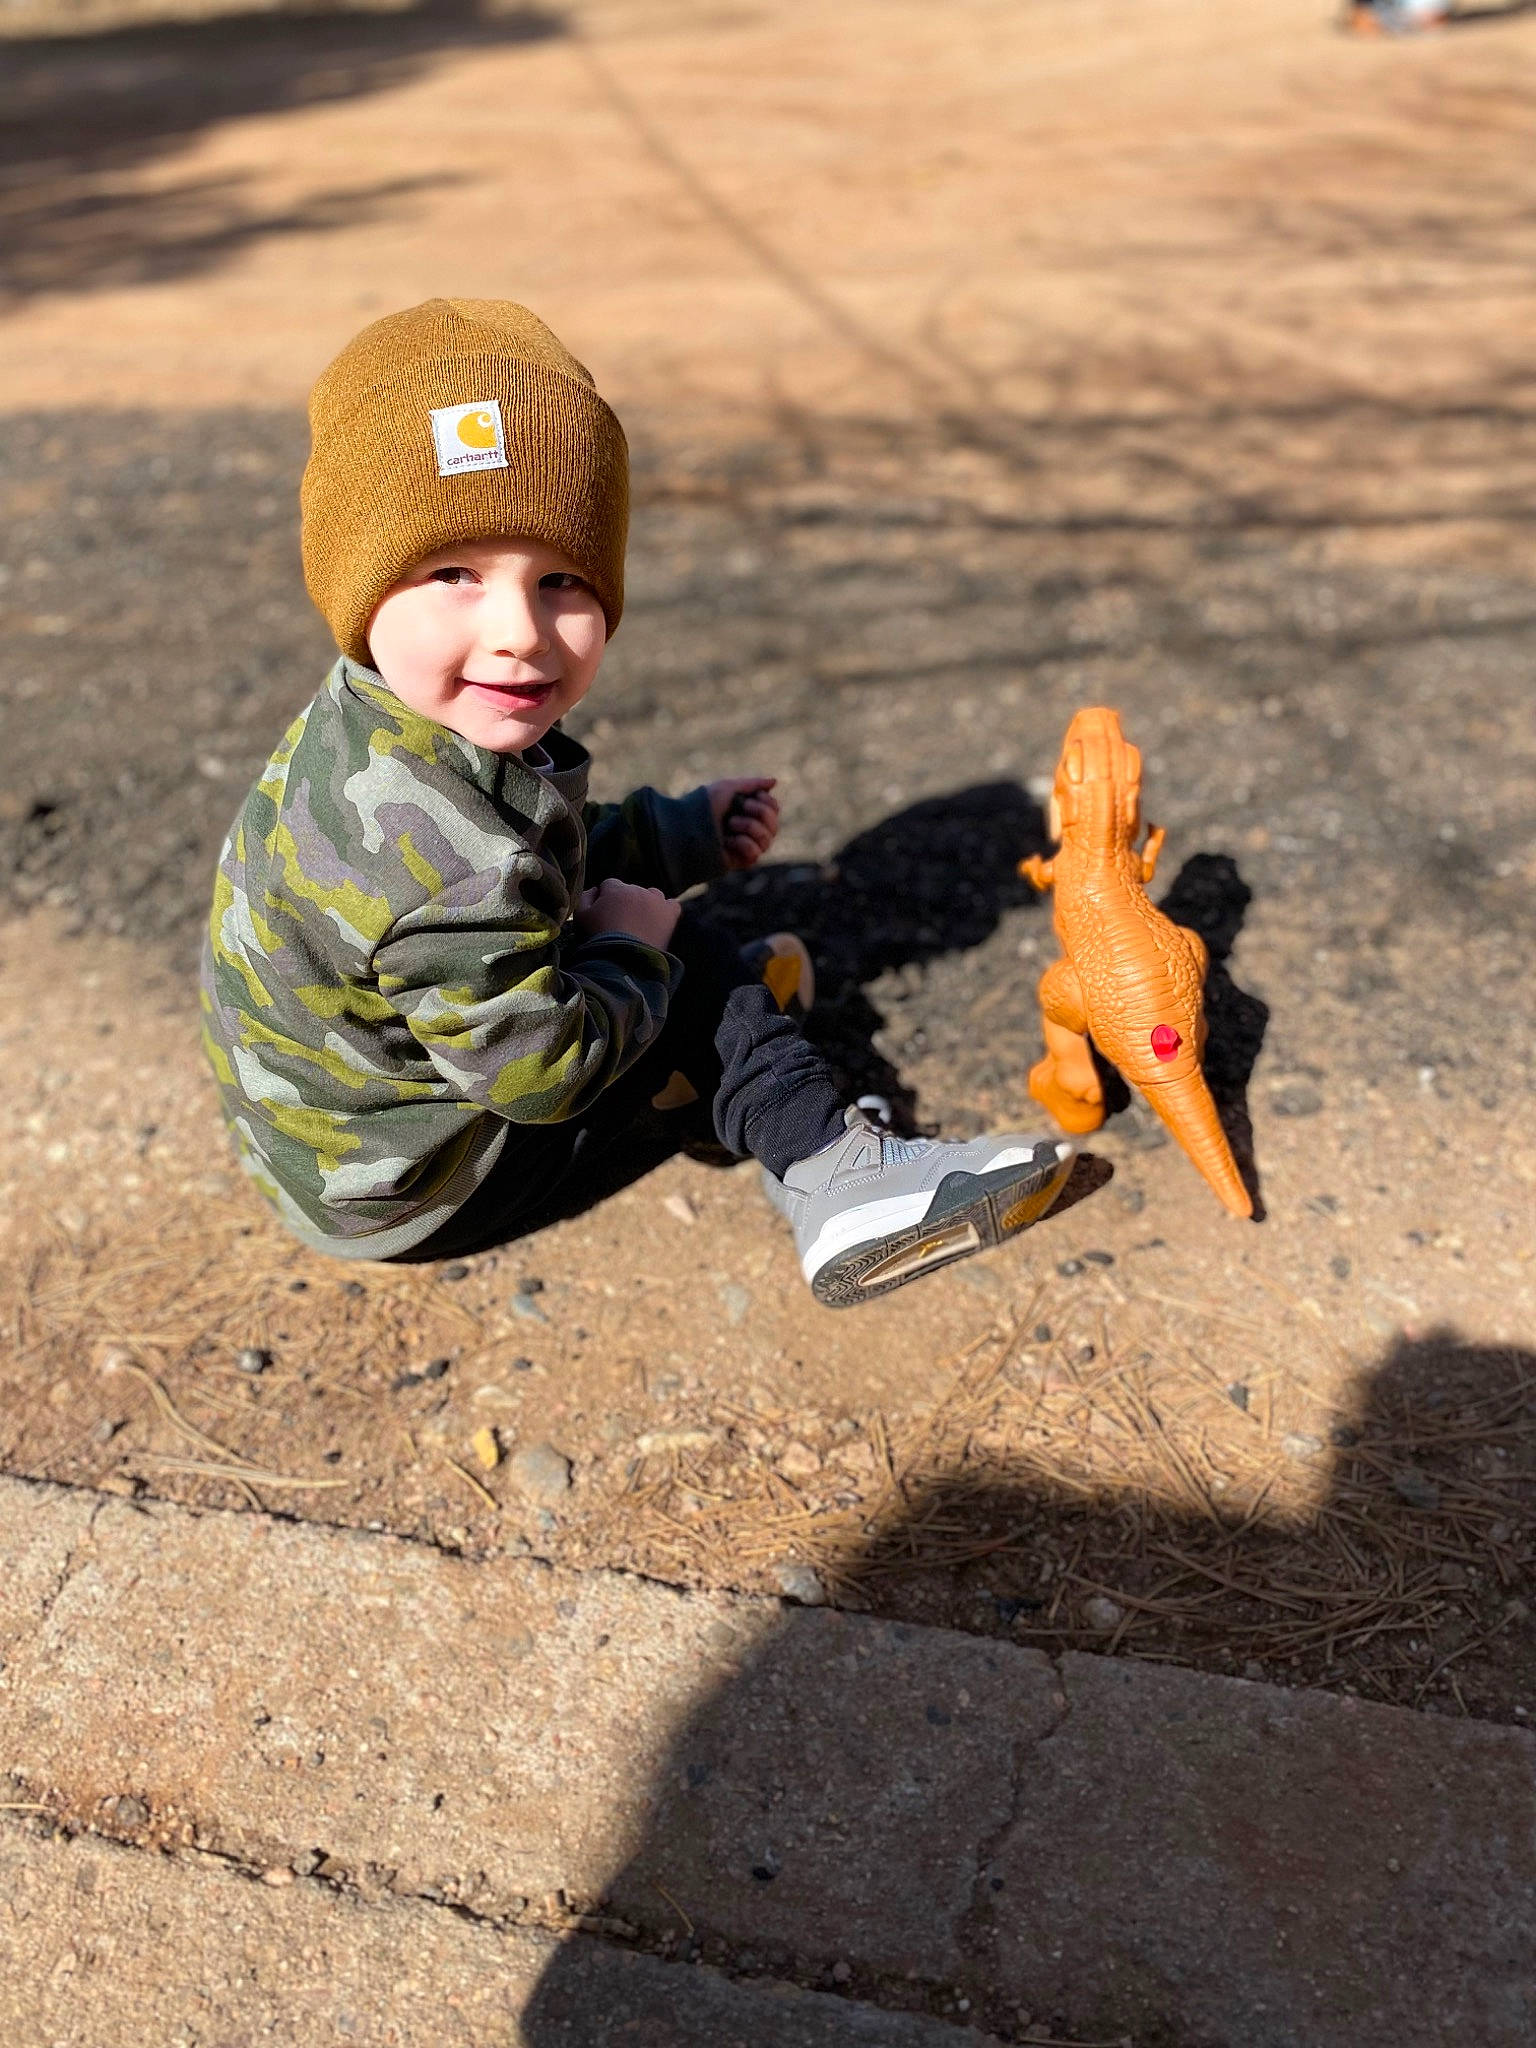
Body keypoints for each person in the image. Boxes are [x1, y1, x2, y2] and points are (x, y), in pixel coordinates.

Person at [199, 299, 1073, 1305]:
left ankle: (712, 1060)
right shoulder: (446, 859)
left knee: (657, 936)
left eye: (563, 579)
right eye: (455, 574)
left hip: (332, 1145)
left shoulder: (380, 724)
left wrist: (672, 832)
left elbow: (528, 858)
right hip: (414, 1192)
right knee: (687, 953)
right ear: (357, 587)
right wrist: (632, 948)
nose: (520, 632)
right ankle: (833, 1173)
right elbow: (541, 1073)